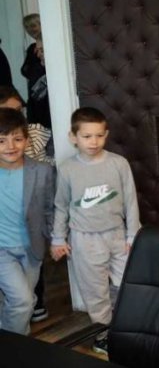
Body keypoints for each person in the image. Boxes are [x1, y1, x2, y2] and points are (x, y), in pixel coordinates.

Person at [50, 107, 141, 354]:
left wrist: (133, 234)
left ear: (106, 134)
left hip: (118, 235)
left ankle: (125, 328)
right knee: (95, 291)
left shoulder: (118, 163)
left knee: (127, 284)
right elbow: (61, 205)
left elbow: (130, 200)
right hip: (84, 240)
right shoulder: (68, 169)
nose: (94, 142)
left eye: (99, 135)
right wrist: (58, 238)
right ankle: (102, 335)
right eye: (87, 136)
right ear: (74, 137)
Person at [0, 107, 54, 335]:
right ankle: (14, 348)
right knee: (23, 301)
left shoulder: (42, 170)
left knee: (23, 300)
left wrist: (56, 239)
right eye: (1, 141)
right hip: (2, 250)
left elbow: (50, 209)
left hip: (32, 248)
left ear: (27, 140)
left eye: (17, 139)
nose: (10, 147)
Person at [0, 86, 52, 164]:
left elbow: (47, 165)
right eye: (9, 113)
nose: (16, 116)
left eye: (19, 110)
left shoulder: (35, 133)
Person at [20, 14, 51, 130]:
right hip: (34, 98)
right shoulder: (31, 48)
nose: (30, 30)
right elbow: (24, 71)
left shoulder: (52, 47)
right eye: (27, 27)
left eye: (33, 25)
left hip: (46, 102)